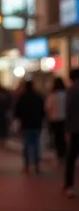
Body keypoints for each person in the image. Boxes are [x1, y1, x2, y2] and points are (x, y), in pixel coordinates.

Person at [15, 79, 44, 175]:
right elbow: (42, 111)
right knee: (36, 144)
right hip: (36, 123)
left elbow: (17, 111)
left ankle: (27, 164)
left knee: (27, 144)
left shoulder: (23, 98)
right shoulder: (38, 97)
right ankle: (36, 164)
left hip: (26, 124)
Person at [64, 68, 79, 198]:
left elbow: (68, 111)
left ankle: (69, 185)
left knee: (71, 158)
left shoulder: (71, 90)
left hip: (74, 128)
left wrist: (67, 128)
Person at [45, 76, 67, 163]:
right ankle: (63, 152)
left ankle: (59, 153)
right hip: (64, 119)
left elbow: (47, 107)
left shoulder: (52, 95)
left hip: (54, 119)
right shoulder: (66, 94)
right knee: (63, 137)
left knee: (57, 137)